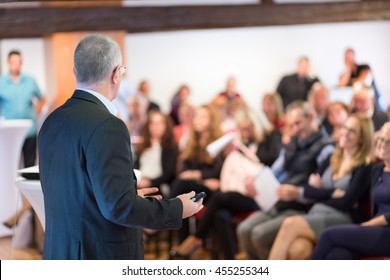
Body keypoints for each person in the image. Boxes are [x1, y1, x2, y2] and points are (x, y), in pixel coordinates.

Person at [38, 34, 203, 260]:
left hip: (60, 251)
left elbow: (76, 191)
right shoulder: (108, 125)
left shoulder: (52, 120)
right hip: (96, 254)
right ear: (116, 74)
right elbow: (118, 207)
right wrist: (177, 208)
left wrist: (126, 194)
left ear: (76, 72)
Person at [170, 108, 282, 260]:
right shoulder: (242, 142)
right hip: (236, 191)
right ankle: (230, 261)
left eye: (248, 129)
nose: (245, 133)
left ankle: (194, 239)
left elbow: (270, 160)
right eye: (242, 130)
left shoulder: (269, 138)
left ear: (255, 125)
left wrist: (246, 153)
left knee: (217, 197)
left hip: (257, 194)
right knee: (219, 214)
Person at [236, 101, 334, 260]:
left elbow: (323, 187)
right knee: (244, 229)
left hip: (301, 207)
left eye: (298, 123)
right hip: (278, 201)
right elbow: (275, 171)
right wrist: (256, 181)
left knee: (259, 234)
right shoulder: (293, 143)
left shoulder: (326, 148)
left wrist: (299, 193)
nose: (295, 129)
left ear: (311, 117)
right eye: (291, 125)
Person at [268, 113, 373, 260]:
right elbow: (309, 189)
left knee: (290, 223)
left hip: (342, 219)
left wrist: (318, 193)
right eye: (344, 127)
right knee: (298, 250)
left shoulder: (365, 166)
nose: (345, 133)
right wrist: (330, 193)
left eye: (352, 131)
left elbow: (346, 202)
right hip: (317, 213)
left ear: (362, 138)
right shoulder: (332, 158)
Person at [311, 122, 390, 260]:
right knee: (336, 255)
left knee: (328, 235)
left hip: (385, 232)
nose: (383, 144)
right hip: (374, 230)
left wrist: (366, 225)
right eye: (381, 139)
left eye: (389, 142)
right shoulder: (377, 169)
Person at [169, 104, 224, 242]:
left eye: (203, 117)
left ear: (211, 121)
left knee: (180, 186)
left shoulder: (218, 141)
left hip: (212, 192)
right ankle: (184, 240)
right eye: (197, 117)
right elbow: (184, 170)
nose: (198, 120)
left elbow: (216, 171)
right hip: (197, 186)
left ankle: (167, 214)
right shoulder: (192, 141)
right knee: (182, 194)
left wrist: (196, 175)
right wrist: (200, 178)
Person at [0, 49, 44, 167]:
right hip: (9, 133)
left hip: (29, 132)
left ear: (21, 63)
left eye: (18, 62)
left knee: (30, 164)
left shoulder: (30, 80)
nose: (16, 65)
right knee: (9, 164)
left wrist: (36, 112)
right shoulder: (2, 82)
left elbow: (42, 98)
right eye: (13, 62)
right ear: (8, 63)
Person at [135, 111, 179, 197]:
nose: (156, 127)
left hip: (159, 185)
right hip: (139, 183)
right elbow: (135, 166)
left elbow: (169, 173)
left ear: (166, 125)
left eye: (159, 123)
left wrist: (150, 182)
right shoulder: (143, 145)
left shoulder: (170, 146)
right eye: (153, 123)